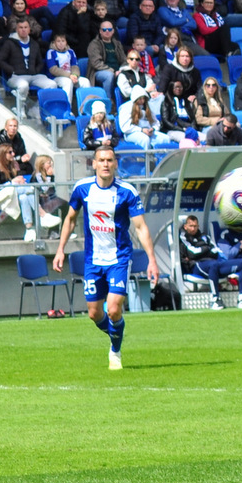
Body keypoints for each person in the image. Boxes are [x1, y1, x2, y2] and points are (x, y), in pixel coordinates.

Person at [52, 146, 158, 370]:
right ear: (94, 164)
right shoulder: (82, 188)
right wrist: (60, 249)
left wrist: (152, 260)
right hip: (93, 260)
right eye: (101, 160)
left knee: (114, 309)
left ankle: (115, 351)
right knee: (94, 313)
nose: (105, 164)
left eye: (109, 160)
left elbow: (140, 227)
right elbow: (70, 219)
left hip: (119, 258)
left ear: (116, 163)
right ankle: (116, 334)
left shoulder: (127, 192)